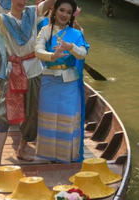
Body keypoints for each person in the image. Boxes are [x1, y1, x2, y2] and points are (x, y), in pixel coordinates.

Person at [0, 0, 55, 166]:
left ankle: (21, 150)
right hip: (14, 72)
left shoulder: (32, 13)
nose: (21, 2)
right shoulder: (4, 20)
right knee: (3, 112)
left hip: (34, 71)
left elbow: (50, 3)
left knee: (31, 113)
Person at [34, 0, 89, 163]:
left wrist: (71, 47)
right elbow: (38, 51)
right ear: (55, 10)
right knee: (48, 117)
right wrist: (53, 56)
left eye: (68, 12)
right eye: (62, 10)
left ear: (72, 15)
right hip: (49, 79)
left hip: (69, 81)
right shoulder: (45, 30)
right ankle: (49, 154)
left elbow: (83, 53)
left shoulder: (76, 34)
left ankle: (66, 155)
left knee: (67, 117)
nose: (64, 15)